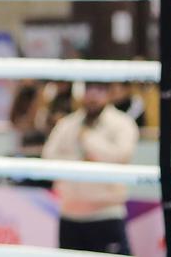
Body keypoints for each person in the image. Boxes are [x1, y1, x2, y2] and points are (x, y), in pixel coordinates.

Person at [42, 82, 139, 254]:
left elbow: (121, 156)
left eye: (100, 89)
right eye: (88, 89)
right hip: (69, 215)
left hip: (106, 215)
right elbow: (48, 157)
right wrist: (82, 161)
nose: (93, 95)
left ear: (110, 93)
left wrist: (88, 138)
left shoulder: (122, 123)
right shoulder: (67, 124)